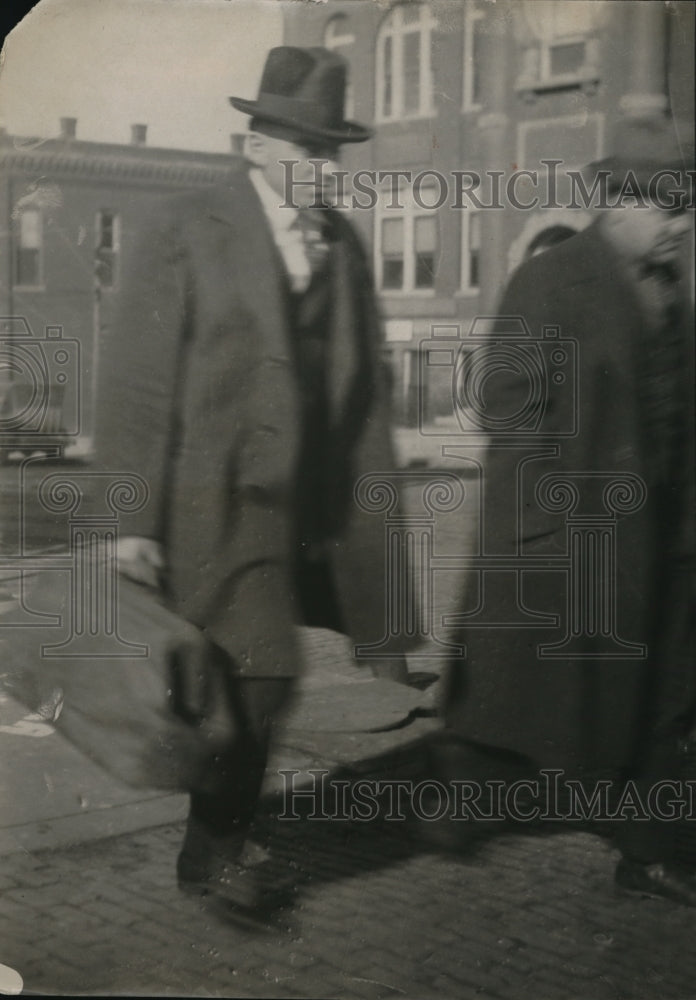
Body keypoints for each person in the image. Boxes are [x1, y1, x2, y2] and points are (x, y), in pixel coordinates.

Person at [95, 46, 411, 921]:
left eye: (331, 153)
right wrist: (130, 517)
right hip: (209, 503)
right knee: (254, 677)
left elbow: (359, 381)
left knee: (260, 680)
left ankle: (213, 845)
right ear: (258, 145)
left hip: (302, 507)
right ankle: (219, 848)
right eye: (306, 151)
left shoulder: (337, 244)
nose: (322, 169)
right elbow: (136, 380)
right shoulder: (189, 226)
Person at [434, 116, 696, 906]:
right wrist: (543, 532)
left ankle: (648, 852)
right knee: (527, 691)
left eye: (685, 207)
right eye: (665, 207)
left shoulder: (671, 293)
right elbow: (510, 413)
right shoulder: (551, 280)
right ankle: (463, 792)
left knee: (671, 691)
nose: (680, 222)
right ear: (616, 202)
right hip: (581, 533)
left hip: (668, 533)